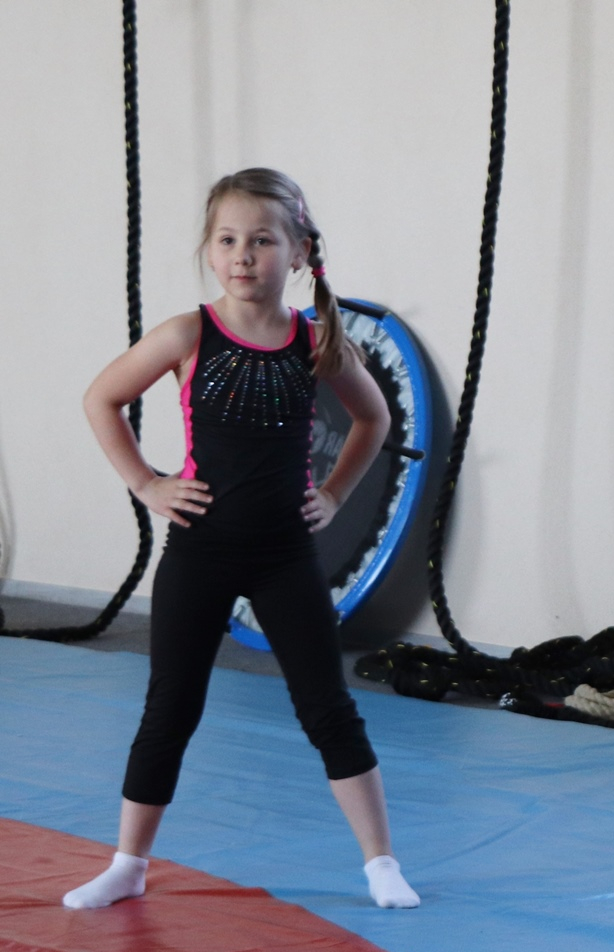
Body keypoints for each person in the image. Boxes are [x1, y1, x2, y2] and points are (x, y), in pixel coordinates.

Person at [63, 168, 419, 912]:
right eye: (227, 240)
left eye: (262, 241)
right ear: (209, 249)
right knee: (170, 707)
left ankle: (381, 862)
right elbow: (102, 397)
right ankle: (128, 863)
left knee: (327, 706)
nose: (242, 256)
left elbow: (375, 418)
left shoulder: (316, 342)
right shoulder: (188, 334)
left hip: (285, 554)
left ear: (299, 252)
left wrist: (334, 492)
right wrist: (147, 483)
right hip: (200, 549)